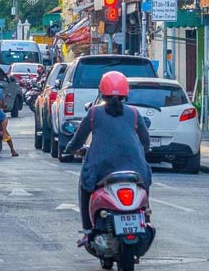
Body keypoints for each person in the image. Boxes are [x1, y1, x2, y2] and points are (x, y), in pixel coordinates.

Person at [64, 71, 150, 246]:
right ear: (126, 92)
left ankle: (88, 230)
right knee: (144, 184)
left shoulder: (94, 113)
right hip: (135, 168)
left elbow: (78, 139)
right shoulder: (134, 113)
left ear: (102, 92)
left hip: (101, 170)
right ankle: (145, 215)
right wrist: (142, 152)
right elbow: (145, 141)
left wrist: (70, 149)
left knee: (85, 185)